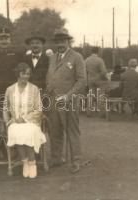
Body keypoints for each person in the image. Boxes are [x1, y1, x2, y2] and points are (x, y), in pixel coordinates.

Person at [46, 28, 86, 173]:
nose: (60, 44)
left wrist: (68, 96)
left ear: (68, 41)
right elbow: (50, 77)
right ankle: (57, 158)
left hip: (69, 101)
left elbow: (82, 81)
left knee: (72, 131)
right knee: (54, 131)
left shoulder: (77, 57)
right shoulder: (52, 58)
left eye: (63, 41)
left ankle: (76, 161)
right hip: (53, 101)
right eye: (57, 42)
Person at [3, 63, 46, 179]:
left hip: (31, 122)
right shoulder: (10, 89)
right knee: (16, 131)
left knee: (28, 132)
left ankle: (32, 163)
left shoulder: (34, 89)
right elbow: (5, 108)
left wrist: (24, 119)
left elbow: (39, 109)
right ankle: (25, 162)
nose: (26, 76)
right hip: (15, 122)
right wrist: (7, 121)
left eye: (28, 74)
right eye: (23, 74)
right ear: (18, 74)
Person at [0, 27, 21, 157]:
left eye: (6, 38)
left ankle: (16, 152)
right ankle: (0, 152)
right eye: (1, 38)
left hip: (15, 96)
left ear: (10, 39)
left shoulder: (18, 55)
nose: (4, 41)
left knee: (15, 123)